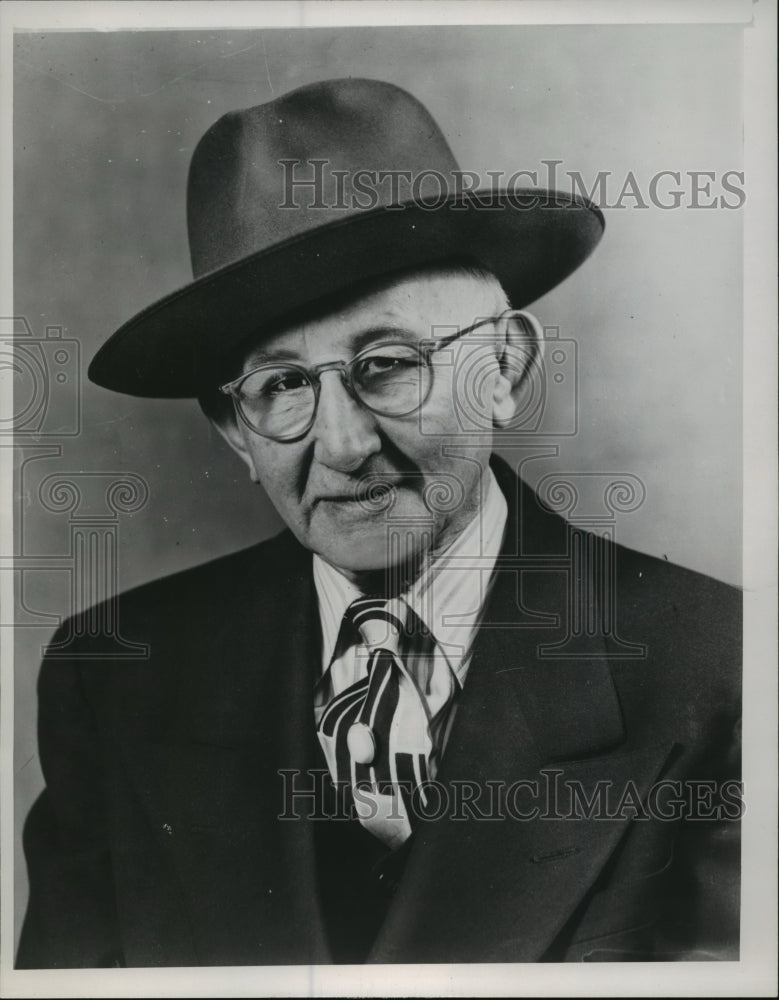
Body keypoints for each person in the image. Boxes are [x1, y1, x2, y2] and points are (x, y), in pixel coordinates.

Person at [17, 77, 741, 968]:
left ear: (504, 368)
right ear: (235, 429)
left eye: (388, 364)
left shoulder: (720, 666)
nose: (344, 444)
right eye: (282, 385)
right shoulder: (116, 677)